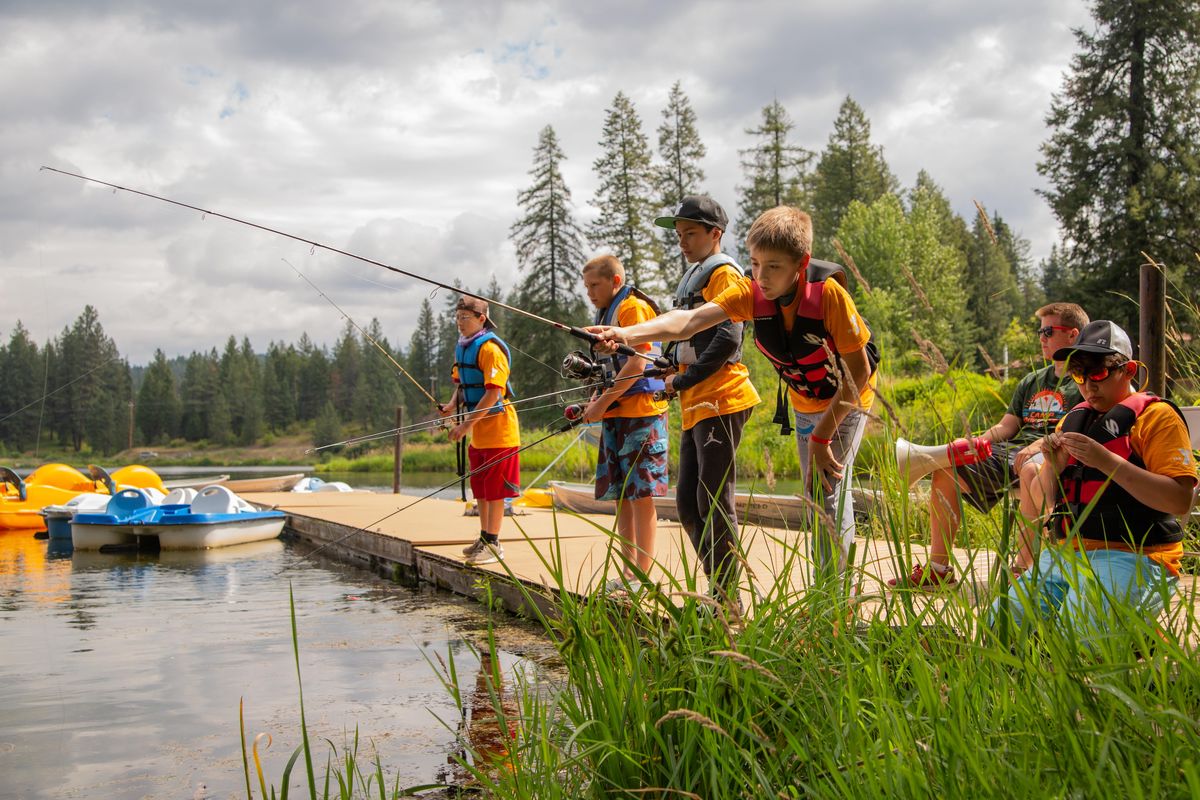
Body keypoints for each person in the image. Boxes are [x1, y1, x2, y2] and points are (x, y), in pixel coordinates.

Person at [590, 205, 878, 582]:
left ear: (801, 263)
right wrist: (626, 335)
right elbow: (689, 321)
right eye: (755, 264)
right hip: (806, 403)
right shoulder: (750, 292)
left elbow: (858, 373)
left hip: (847, 402)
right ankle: (742, 595)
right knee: (812, 499)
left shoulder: (829, 297)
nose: (761, 276)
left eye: (773, 267)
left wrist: (824, 434)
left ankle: (836, 603)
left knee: (827, 496)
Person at [995, 320, 1196, 643]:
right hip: (1065, 555)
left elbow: (1179, 500)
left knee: (1073, 640)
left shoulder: (1157, 418)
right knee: (999, 628)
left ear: (1128, 370)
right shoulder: (1074, 418)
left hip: (1137, 556)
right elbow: (1045, 497)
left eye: (1098, 372)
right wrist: (1053, 467)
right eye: (1079, 374)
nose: (1088, 384)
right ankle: (1129, 634)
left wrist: (1107, 462)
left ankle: (1137, 637)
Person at [889, 303, 1088, 588]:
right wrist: (974, 441)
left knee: (1033, 468)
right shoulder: (1032, 381)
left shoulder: (1084, 382)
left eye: (1048, 330)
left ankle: (1023, 570)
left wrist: (1041, 445)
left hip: (1053, 456)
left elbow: (1076, 429)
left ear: (1072, 335)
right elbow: (1007, 427)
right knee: (947, 470)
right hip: (1011, 453)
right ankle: (938, 570)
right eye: (1039, 331)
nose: (1041, 337)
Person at [653, 196, 760, 605]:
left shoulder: (724, 274)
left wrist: (682, 380)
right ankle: (720, 590)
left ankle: (726, 599)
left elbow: (729, 337)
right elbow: (685, 337)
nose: (682, 242)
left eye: (691, 234)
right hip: (697, 403)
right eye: (679, 236)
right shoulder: (693, 277)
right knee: (686, 503)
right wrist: (668, 367)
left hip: (723, 399)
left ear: (715, 234)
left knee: (714, 501)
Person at [580, 254, 670, 592]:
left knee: (641, 494)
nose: (589, 292)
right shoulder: (606, 313)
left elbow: (635, 365)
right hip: (616, 413)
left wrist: (602, 403)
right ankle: (628, 571)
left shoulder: (631, 309)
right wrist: (596, 402)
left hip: (641, 414)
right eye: (586, 286)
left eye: (595, 285)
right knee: (621, 495)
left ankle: (644, 576)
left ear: (615, 282)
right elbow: (607, 371)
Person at [439, 296, 520, 566]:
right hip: (480, 434)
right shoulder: (463, 347)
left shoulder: (490, 349)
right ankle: (484, 538)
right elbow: (462, 384)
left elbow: (493, 393)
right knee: (482, 490)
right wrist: (452, 405)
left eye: (465, 318)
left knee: (496, 491)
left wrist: (465, 425)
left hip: (499, 430)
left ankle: (494, 543)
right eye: (457, 318)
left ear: (481, 319)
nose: (460, 324)